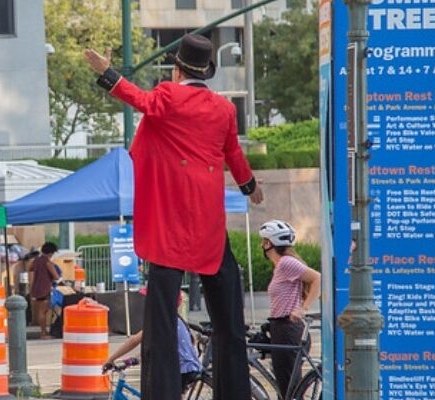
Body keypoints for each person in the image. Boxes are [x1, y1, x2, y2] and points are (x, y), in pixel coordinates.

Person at [84, 34, 264, 399]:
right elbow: (233, 154)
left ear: (176, 70)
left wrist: (107, 73)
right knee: (229, 321)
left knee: (161, 323)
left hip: (170, 220)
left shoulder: (168, 96)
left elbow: (139, 99)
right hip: (208, 221)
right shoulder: (224, 109)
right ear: (206, 71)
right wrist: (249, 186)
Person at [260, 220, 321, 396]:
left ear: (268, 243)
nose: (261, 245)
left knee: (290, 391)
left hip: (288, 330)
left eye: (263, 241)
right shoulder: (281, 266)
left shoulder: (286, 263)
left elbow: (317, 278)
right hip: (281, 328)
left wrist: (303, 308)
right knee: (286, 388)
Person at [103, 292, 201, 390]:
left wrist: (111, 359)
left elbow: (134, 340)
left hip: (179, 369)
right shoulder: (177, 319)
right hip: (189, 366)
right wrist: (137, 358)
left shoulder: (160, 321)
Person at [28, 243, 60, 339]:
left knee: (40, 311)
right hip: (45, 289)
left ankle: (44, 332)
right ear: (50, 253)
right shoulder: (48, 263)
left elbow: (29, 268)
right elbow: (56, 276)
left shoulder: (36, 260)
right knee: (43, 312)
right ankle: (43, 333)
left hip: (36, 288)